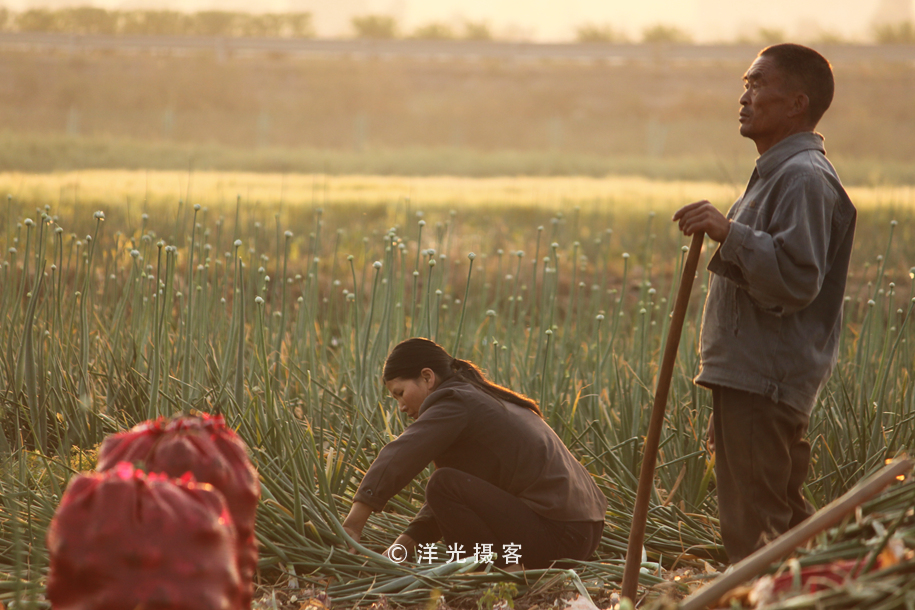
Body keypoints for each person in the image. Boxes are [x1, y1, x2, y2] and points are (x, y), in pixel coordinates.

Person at [672, 43, 856, 563]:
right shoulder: (777, 173)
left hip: (766, 381)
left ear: (797, 103)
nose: (744, 96)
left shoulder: (803, 177)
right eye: (745, 84)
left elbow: (798, 278)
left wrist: (728, 231)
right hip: (751, 378)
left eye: (757, 85)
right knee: (782, 523)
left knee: (756, 533)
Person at [341, 337, 607, 569]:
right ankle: (509, 566)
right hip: (581, 535)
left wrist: (354, 522)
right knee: (447, 484)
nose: (400, 406)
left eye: (400, 393)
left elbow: (403, 453)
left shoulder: (454, 401)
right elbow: (459, 494)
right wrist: (399, 550)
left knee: (442, 483)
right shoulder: (477, 397)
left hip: (558, 534)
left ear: (427, 377)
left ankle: (496, 573)